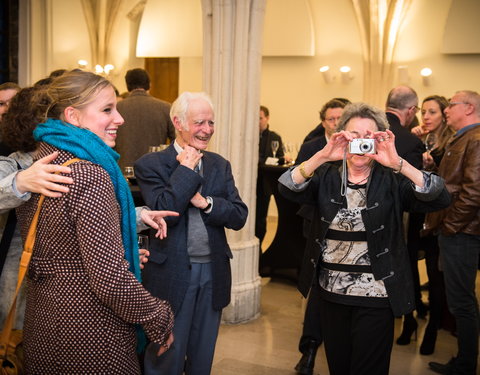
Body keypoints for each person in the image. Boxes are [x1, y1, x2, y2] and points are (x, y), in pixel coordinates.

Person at [3, 71, 175, 374]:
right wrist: (158, 316)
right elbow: (109, 279)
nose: (119, 118)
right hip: (89, 333)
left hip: (45, 322)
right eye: (107, 109)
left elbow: (65, 242)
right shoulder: (90, 174)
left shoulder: (44, 160)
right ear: (73, 116)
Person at [278, 102, 450, 375]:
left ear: (379, 139)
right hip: (331, 295)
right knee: (339, 367)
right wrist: (323, 155)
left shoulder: (391, 179)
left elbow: (440, 196)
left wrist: (398, 163)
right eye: (353, 135)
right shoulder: (326, 175)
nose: (360, 142)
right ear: (342, 137)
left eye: (368, 136)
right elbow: (287, 187)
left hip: (376, 296)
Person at [135, 91, 248, 375]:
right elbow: (166, 212)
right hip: (170, 273)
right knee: (167, 354)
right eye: (200, 122)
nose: (207, 130)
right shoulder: (151, 165)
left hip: (213, 271)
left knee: (202, 353)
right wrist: (185, 170)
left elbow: (238, 215)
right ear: (178, 122)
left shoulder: (219, 164)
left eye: (211, 123)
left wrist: (205, 202)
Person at [425, 90, 480, 375]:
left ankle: (466, 364)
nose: (447, 109)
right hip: (457, 229)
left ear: (469, 108)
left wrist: (450, 225)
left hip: (462, 233)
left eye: (452, 104)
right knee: (459, 298)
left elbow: (474, 192)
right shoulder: (463, 137)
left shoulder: (476, 139)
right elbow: (456, 181)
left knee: (461, 299)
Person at [293, 97, 349, 375]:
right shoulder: (312, 147)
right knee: (318, 289)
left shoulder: (361, 147)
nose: (336, 123)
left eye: (341, 118)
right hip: (317, 227)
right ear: (323, 121)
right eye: (331, 119)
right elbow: (298, 187)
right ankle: (310, 349)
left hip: (352, 232)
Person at [410, 95, 455, 355]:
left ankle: (433, 328)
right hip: (421, 215)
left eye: (432, 112)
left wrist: (432, 165)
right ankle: (418, 314)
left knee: (436, 276)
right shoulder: (424, 139)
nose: (426, 117)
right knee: (417, 265)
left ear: (444, 114)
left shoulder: (451, 142)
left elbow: (446, 182)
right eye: (423, 111)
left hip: (440, 217)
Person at [386, 85, 428, 345]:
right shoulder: (411, 142)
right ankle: (408, 317)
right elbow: (416, 191)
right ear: (411, 110)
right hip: (402, 218)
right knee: (406, 265)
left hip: (371, 216)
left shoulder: (373, 132)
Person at [115, 68, 175, 170]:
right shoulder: (166, 108)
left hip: (123, 170)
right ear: (149, 84)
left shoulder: (116, 108)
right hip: (156, 170)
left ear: (127, 85)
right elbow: (177, 141)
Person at [256, 105, 286, 246]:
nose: (258, 121)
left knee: (261, 218)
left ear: (267, 118)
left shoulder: (275, 137)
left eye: (260, 118)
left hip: (265, 184)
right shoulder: (249, 136)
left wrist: (261, 160)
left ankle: (260, 247)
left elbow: (280, 158)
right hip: (249, 183)